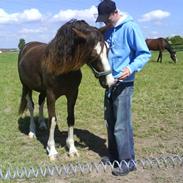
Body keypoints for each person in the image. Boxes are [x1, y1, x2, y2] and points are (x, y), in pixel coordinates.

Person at [96, 0, 151, 176]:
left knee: (122, 125)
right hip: (110, 83)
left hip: (124, 84)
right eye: (102, 19)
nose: (105, 22)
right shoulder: (109, 30)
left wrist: (130, 69)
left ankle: (128, 162)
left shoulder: (130, 27)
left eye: (107, 18)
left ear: (115, 12)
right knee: (110, 121)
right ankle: (114, 156)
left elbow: (144, 54)